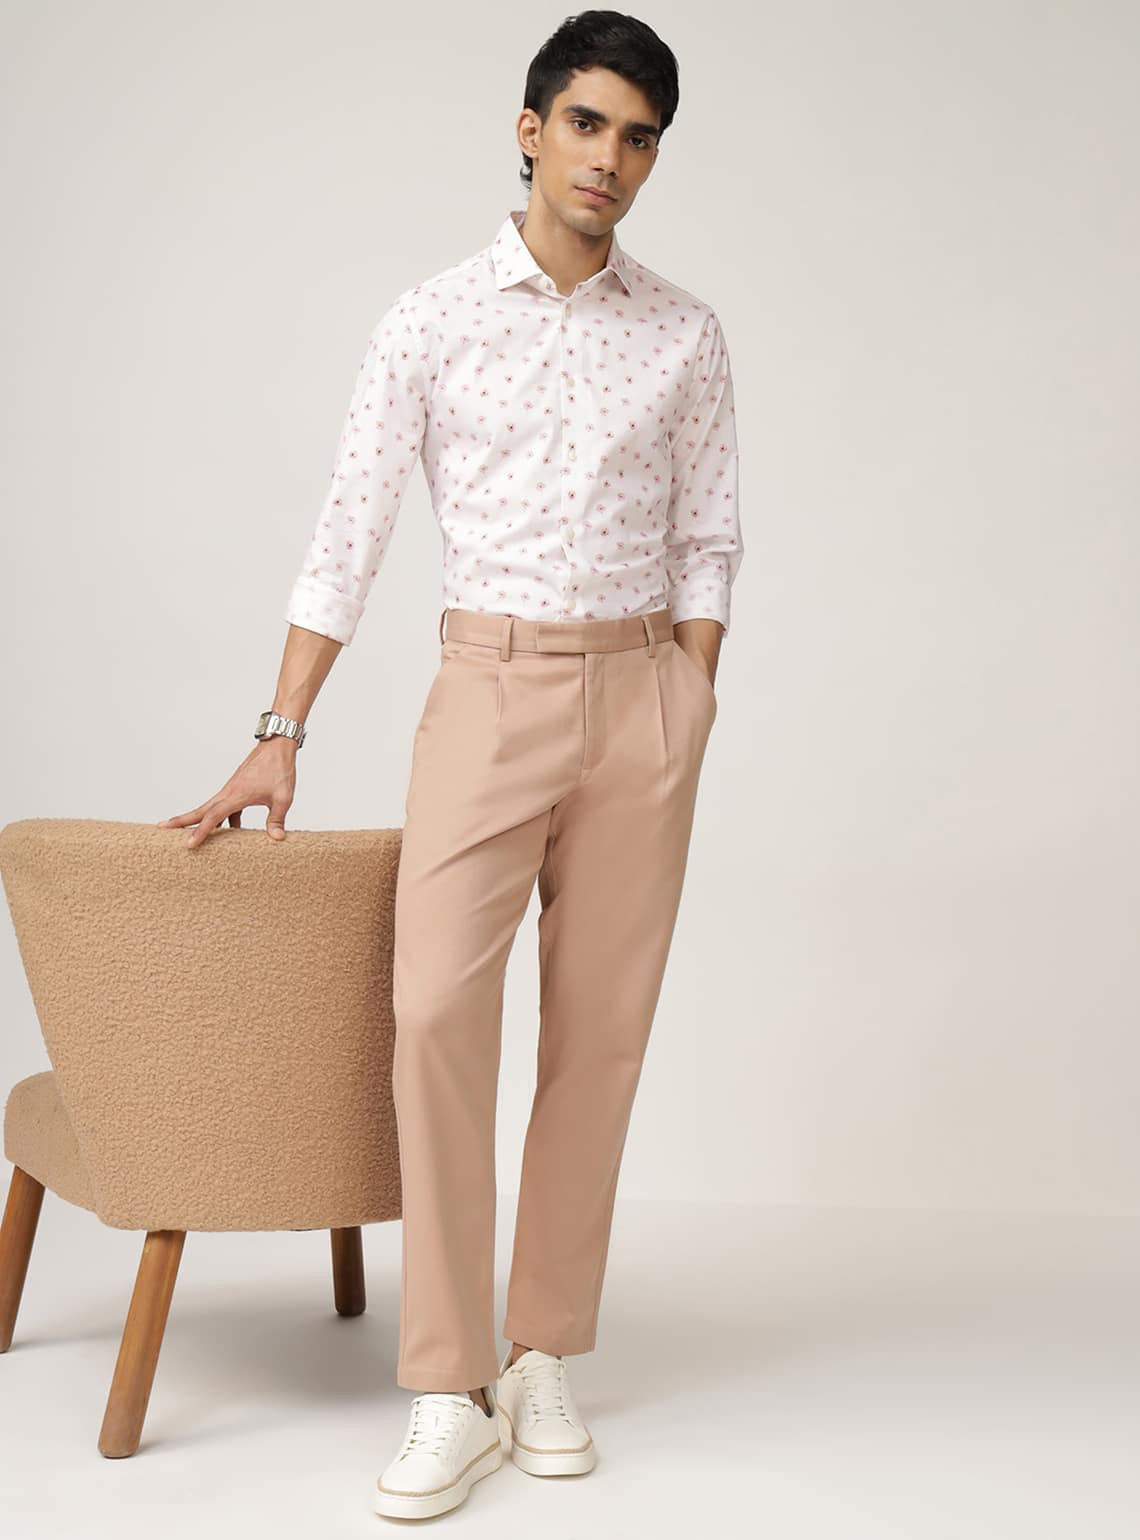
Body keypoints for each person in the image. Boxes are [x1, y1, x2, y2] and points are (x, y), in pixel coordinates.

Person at [157, 10, 743, 1523]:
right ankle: (446, 1379)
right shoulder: (429, 320)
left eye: (640, 138)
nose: (611, 159)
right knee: (435, 1016)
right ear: (531, 130)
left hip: (642, 702)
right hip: (488, 690)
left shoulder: (684, 333)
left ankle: (543, 1352)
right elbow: (347, 531)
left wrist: (688, 696)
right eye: (589, 124)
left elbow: (708, 535)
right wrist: (282, 729)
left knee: (601, 1038)